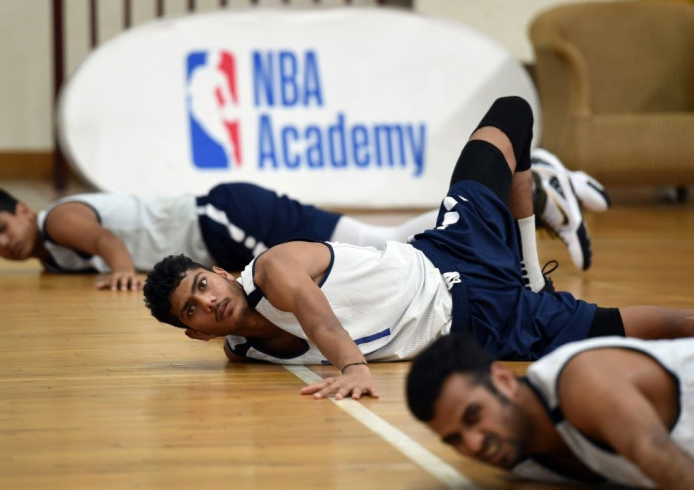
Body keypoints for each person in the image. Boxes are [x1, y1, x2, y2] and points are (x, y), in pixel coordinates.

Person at [142, 96, 693, 401]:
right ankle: (534, 287)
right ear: (196, 332)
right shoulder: (241, 354)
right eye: (193, 310)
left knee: (511, 113)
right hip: (479, 323)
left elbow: (320, 319)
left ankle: (529, 262)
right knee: (635, 329)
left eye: (202, 285)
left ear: (219, 272)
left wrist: (354, 368)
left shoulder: (270, 267)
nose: (208, 302)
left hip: (448, 250)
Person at [0, 182, 439, 291]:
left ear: (24, 210)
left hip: (223, 217)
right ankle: (469, 215)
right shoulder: (52, 258)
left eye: (1, 228)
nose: (3, 245)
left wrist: (124, 272)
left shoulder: (57, 222)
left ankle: (472, 210)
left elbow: (107, 242)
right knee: (381, 239)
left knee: (375, 247)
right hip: (225, 224)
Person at [405, 334, 694, 489]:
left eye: (473, 416)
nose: (474, 444)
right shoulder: (521, 455)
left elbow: (655, 452)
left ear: (504, 380)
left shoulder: (581, 382)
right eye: (454, 439)